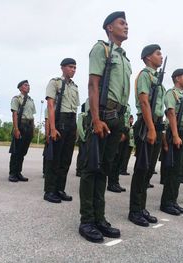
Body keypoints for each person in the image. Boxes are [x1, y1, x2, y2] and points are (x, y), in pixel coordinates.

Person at [79, 11, 131, 243]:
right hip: (102, 116)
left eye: (127, 23)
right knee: (91, 169)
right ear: (110, 28)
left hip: (117, 118)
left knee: (104, 170)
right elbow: (93, 84)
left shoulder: (124, 58)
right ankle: (87, 220)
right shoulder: (102, 49)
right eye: (121, 23)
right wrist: (96, 119)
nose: (126, 26)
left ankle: (99, 218)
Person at [129, 44, 165, 226]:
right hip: (146, 125)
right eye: (158, 53)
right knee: (142, 168)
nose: (161, 56)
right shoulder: (145, 75)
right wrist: (151, 128)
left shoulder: (157, 79)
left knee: (149, 169)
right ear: (148, 57)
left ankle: (141, 208)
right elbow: (144, 102)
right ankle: (134, 211)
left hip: (156, 125)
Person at [44, 58, 79, 203]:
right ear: (63, 68)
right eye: (70, 67)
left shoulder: (75, 87)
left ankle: (60, 189)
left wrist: (75, 128)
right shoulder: (55, 82)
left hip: (71, 123)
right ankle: (50, 191)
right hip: (60, 122)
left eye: (75, 67)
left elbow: (75, 108)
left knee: (66, 159)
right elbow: (50, 106)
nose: (73, 70)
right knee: (55, 160)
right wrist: (52, 128)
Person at [160, 68, 183, 215]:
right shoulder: (171, 93)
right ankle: (166, 203)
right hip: (177, 133)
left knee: (179, 170)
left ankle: (173, 201)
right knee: (173, 170)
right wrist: (175, 135)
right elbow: (171, 114)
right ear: (177, 79)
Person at [8, 80, 36, 182]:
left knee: (23, 151)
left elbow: (32, 117)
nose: (28, 86)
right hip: (21, 126)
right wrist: (16, 129)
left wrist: (33, 129)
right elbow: (14, 114)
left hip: (28, 126)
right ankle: (12, 173)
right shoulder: (16, 99)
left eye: (28, 85)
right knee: (16, 151)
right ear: (20, 88)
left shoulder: (31, 100)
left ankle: (18, 172)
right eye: (25, 85)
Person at [107, 104, 132, 192]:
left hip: (126, 130)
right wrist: (121, 132)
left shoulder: (127, 105)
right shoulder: (119, 105)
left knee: (121, 158)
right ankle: (111, 183)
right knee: (115, 159)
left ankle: (116, 182)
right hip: (120, 129)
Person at [75, 101, 88, 177]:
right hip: (82, 138)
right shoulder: (81, 115)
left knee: (86, 155)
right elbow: (79, 128)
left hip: (87, 138)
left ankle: (83, 169)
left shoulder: (87, 115)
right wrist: (83, 138)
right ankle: (79, 170)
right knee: (82, 155)